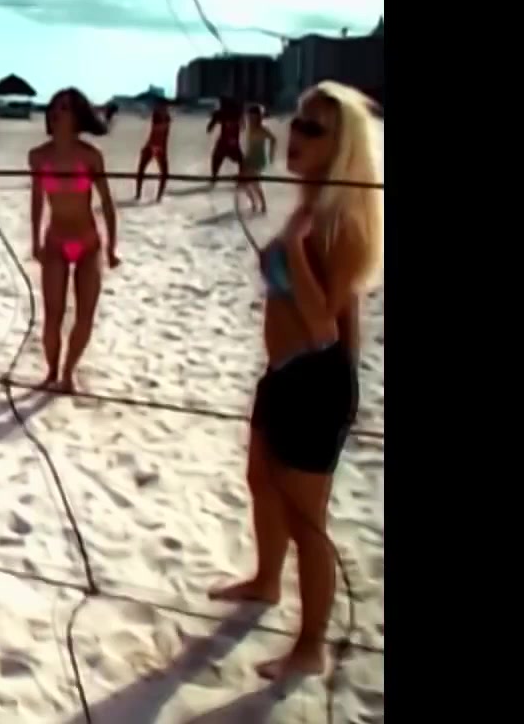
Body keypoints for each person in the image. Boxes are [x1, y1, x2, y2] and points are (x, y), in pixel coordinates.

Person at [209, 81, 383, 681]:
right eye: (297, 122)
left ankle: (311, 647)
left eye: (312, 128)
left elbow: (323, 327)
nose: (295, 135)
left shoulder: (342, 224)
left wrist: (292, 246)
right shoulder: (311, 209)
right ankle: (265, 581)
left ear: (341, 147)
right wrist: (285, 245)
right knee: (260, 480)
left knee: (308, 520)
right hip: (282, 372)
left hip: (318, 379)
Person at [29, 88, 120, 393]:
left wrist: (112, 247)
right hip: (56, 240)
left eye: (65, 107)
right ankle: (52, 372)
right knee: (52, 315)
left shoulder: (90, 156)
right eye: (55, 106)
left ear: (77, 116)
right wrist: (35, 241)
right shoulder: (38, 156)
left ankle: (69, 372)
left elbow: (106, 202)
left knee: (84, 316)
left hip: (87, 242)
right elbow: (37, 201)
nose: (57, 111)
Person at [239, 104, 275, 214]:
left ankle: (262, 206)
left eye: (252, 117)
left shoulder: (262, 130)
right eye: (249, 117)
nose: (250, 119)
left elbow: (273, 139)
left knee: (254, 183)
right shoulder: (249, 127)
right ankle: (255, 204)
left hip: (258, 159)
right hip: (249, 158)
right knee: (243, 184)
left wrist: (271, 154)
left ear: (258, 117)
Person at [135, 100, 172, 202]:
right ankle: (138, 195)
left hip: (158, 146)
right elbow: (157, 132)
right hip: (153, 145)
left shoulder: (165, 117)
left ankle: (158, 197)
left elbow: (163, 135)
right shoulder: (158, 116)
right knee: (142, 170)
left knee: (164, 173)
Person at [208, 97, 246, 186]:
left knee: (216, 159)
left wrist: (213, 121)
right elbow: (243, 127)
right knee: (241, 161)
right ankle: (241, 179)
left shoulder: (223, 114)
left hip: (224, 143)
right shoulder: (236, 114)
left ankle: (214, 177)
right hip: (232, 143)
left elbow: (209, 129)